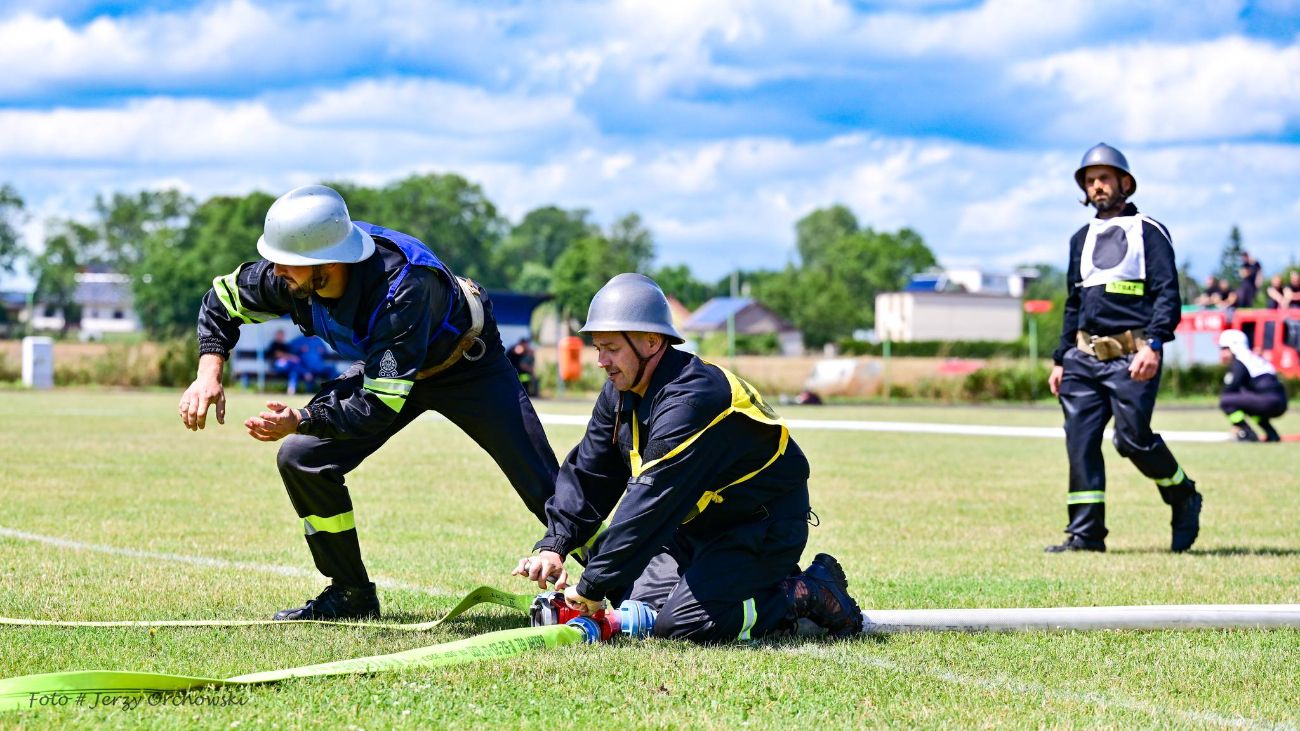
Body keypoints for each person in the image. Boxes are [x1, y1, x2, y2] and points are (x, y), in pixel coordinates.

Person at [178, 184, 559, 620]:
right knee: (302, 458)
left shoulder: (403, 289)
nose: (275, 270)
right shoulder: (290, 273)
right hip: (386, 367)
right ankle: (350, 593)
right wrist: (208, 373)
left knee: (546, 488)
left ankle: (625, 585)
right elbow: (221, 299)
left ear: (328, 264)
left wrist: (302, 416)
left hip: (467, 366)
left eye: (288, 264)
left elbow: (377, 407)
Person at [512, 273, 863, 644]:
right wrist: (555, 544)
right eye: (598, 348)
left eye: (611, 348)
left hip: (761, 529)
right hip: (694, 530)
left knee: (681, 626)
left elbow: (650, 500)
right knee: (634, 603)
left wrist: (591, 586)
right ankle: (742, 582)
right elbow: (590, 474)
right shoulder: (620, 393)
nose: (601, 361)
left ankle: (806, 592)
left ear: (650, 341)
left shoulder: (693, 399)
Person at [1046, 143, 1202, 554]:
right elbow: (1073, 302)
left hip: (1134, 354)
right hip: (1082, 358)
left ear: (1125, 183)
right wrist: (1061, 358)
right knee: (1079, 440)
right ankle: (1085, 535)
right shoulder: (1080, 238)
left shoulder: (1148, 230)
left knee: (1131, 440)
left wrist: (1154, 344)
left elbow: (1168, 293)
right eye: (1090, 180)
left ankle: (1182, 493)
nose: (1097, 186)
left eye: (1105, 179)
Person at [1218, 329, 1288, 442]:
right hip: (1280, 401)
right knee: (1248, 405)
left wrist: (1236, 423)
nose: (1222, 353)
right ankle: (1272, 434)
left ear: (1234, 347)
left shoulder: (1240, 361)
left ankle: (1246, 432)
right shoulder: (1254, 359)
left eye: (1224, 348)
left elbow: (1230, 388)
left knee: (1226, 401)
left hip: (1268, 401)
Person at [266, 330, 305, 394]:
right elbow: (278, 354)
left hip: (287, 366)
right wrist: (291, 357)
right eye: (279, 335)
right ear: (276, 335)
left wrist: (290, 357)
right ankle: (305, 372)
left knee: (294, 372)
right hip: (277, 366)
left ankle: (291, 389)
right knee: (293, 365)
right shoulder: (274, 344)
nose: (281, 336)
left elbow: (288, 355)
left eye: (282, 335)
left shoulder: (285, 346)